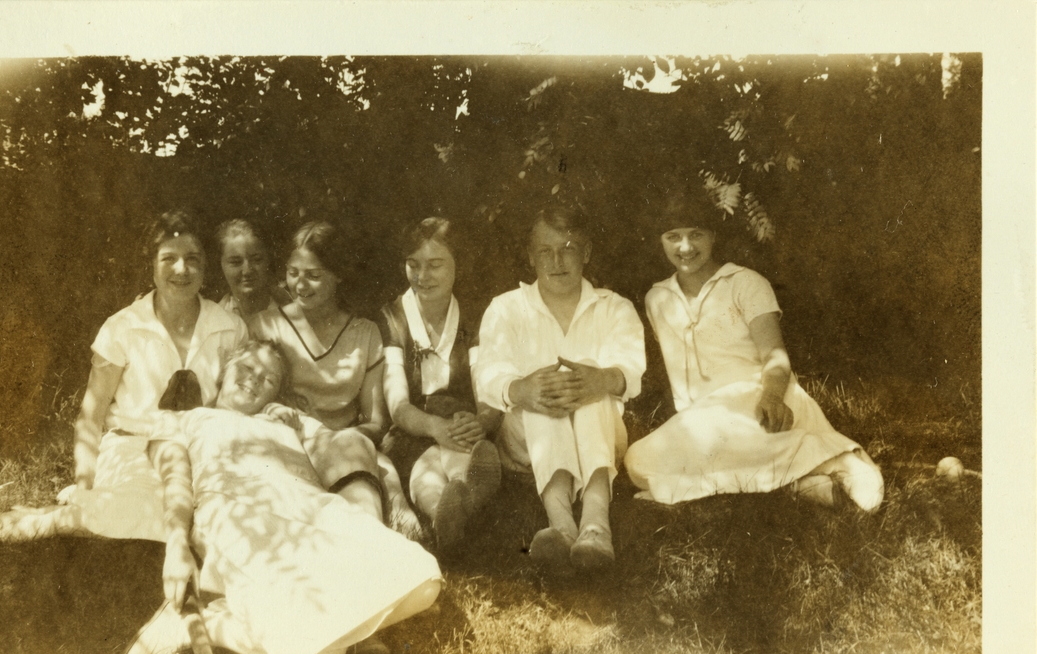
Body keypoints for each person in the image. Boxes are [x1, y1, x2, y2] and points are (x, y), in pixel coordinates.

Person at [117, 340, 442, 654]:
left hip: (313, 512)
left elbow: (346, 449)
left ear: (275, 393)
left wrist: (293, 423)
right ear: (224, 371)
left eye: (269, 379)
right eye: (246, 369)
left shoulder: (287, 423)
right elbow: (176, 483)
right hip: (240, 516)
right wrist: (177, 546)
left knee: (424, 579)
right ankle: (207, 627)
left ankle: (223, 622)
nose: (255, 380)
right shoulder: (184, 419)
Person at [0, 211, 247, 543]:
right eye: (169, 259)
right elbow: (91, 417)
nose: (182, 269)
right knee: (156, 516)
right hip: (134, 447)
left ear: (206, 265)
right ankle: (48, 521)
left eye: (193, 259)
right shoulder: (123, 327)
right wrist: (84, 485)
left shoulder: (228, 327)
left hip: (201, 448)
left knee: (217, 519)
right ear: (151, 265)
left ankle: (73, 513)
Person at [622, 188, 884, 511]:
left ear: (713, 236)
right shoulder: (657, 299)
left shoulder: (745, 283)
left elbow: (774, 354)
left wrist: (772, 396)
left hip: (760, 401)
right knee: (637, 462)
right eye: (673, 236)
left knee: (706, 447)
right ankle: (801, 484)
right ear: (660, 240)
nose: (685, 247)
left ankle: (837, 458)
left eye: (696, 234)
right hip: (701, 422)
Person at [474, 206, 646, 578]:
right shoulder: (505, 309)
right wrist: (521, 389)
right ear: (530, 257)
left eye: (567, 249)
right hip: (526, 439)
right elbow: (488, 372)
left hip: (600, 436)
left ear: (586, 253)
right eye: (544, 251)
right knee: (546, 392)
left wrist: (602, 380)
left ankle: (595, 525)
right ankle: (564, 525)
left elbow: (631, 370)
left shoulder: (613, 307)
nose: (556, 261)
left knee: (589, 384)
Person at [249, 221, 421, 537]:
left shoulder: (365, 333)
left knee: (379, 467)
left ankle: (383, 526)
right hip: (286, 443)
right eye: (293, 272)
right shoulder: (264, 326)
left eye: (313, 275)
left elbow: (375, 420)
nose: (300, 285)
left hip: (347, 445)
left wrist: (337, 439)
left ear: (338, 274)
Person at [377, 217, 502, 554]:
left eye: (434, 265)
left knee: (459, 458)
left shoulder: (474, 317)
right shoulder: (392, 318)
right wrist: (433, 426)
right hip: (414, 429)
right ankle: (441, 515)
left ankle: (464, 496)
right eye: (413, 265)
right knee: (425, 471)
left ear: (458, 266)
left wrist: (481, 421)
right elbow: (398, 404)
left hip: (462, 427)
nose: (422, 276)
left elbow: (488, 392)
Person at [214, 218, 290, 324]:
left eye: (257, 260)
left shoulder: (294, 310)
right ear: (221, 264)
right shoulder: (212, 320)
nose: (247, 271)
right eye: (236, 262)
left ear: (268, 260)